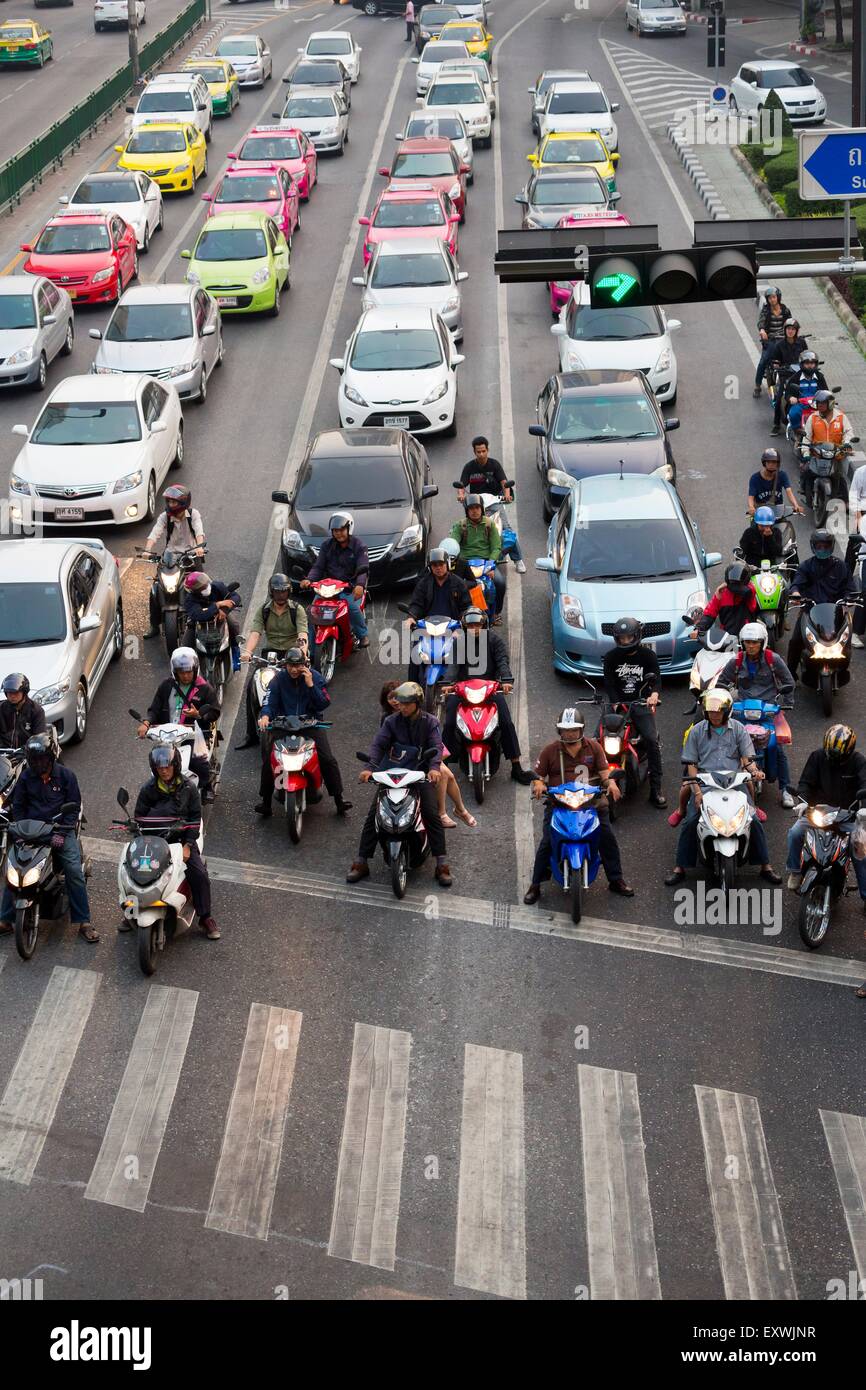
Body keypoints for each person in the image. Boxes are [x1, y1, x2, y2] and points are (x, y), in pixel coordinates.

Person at [664, 689, 781, 886]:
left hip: (734, 782)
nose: (714, 716)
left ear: (727, 711)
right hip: (706, 783)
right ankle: (680, 867)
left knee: (752, 820)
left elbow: (746, 759)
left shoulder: (739, 729)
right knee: (692, 820)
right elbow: (691, 763)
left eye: (718, 712)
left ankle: (765, 865)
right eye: (710, 712)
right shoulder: (696, 731)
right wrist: (698, 792)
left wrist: (754, 771)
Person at [523, 707, 634, 905]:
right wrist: (539, 783)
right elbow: (538, 775)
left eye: (574, 729)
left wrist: (611, 783)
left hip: (592, 804)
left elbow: (604, 773)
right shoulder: (550, 750)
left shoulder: (594, 747)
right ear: (560, 731)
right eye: (566, 730)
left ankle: (616, 879)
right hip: (559, 804)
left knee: (607, 837)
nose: (570, 733)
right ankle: (535, 884)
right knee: (547, 842)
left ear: (581, 729)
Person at [347, 681, 451, 886]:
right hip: (392, 773)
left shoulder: (430, 722)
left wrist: (434, 768)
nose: (400, 706)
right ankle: (361, 861)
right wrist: (369, 768)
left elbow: (436, 747)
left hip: (419, 774)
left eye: (405, 703)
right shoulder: (391, 721)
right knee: (374, 815)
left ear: (417, 703)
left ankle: (441, 863)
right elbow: (379, 744)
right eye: (399, 703)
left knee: (431, 813)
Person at [0, 733, 96, 942]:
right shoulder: (25, 777)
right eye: (34, 760)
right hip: (31, 831)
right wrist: (18, 832)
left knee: (72, 870)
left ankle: (84, 921)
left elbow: (73, 809)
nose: (37, 764)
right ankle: (5, 919)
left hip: (58, 830)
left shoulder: (67, 777)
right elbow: (19, 807)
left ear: (51, 757)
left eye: (41, 759)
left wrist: (61, 833)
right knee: (13, 867)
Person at [131, 744, 219, 940]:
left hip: (181, 841)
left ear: (176, 765)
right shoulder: (148, 789)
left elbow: (196, 818)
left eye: (167, 766)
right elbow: (139, 816)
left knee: (199, 873)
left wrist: (188, 845)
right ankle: (131, 909)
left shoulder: (189, 788)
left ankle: (205, 917)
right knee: (132, 869)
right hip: (153, 840)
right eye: (159, 767)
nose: (164, 770)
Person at [441, 607, 534, 783]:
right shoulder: (459, 643)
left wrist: (506, 680)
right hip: (462, 690)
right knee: (449, 723)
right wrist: (448, 684)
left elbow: (502, 661)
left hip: (490, 690)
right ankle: (441, 765)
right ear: (464, 626)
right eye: (470, 625)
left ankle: (516, 767)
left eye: (478, 625)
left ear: (484, 625)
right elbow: (453, 665)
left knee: (506, 722)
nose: (474, 628)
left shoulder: (494, 641)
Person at [256, 647, 350, 817]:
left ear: (304, 665)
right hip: (283, 725)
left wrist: (311, 685)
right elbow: (269, 703)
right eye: (290, 665)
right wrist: (265, 716)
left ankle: (339, 799)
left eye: (297, 665)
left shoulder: (315, 677)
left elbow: (323, 703)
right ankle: (266, 802)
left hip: (310, 724)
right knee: (269, 760)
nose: (293, 669)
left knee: (327, 759)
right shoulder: (277, 680)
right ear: (285, 665)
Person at [718, 621, 796, 808]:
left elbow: (788, 682)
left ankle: (786, 789)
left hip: (768, 711)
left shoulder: (773, 659)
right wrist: (722, 700)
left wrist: (787, 704)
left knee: (777, 748)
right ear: (742, 643)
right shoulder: (735, 661)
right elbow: (721, 684)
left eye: (755, 642)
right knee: (730, 745)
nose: (751, 646)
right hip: (741, 712)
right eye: (748, 642)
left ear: (763, 642)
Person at [787, 725, 866, 908]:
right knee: (795, 833)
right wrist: (803, 802)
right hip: (818, 811)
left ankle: (865, 893)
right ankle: (795, 871)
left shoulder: (859, 761)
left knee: (860, 848)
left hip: (847, 815)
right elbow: (805, 782)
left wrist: (863, 809)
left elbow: (865, 784)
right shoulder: (817, 756)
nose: (834, 759)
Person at [380, 678, 476, 828]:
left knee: (441, 772)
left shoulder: (421, 717)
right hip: (404, 758)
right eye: (390, 697)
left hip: (425, 753)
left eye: (398, 697)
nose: (396, 702)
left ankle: (445, 813)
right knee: (447, 774)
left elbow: (432, 740)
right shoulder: (388, 719)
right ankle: (458, 810)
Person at [137, 647, 220, 802]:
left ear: (195, 670)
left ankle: (207, 786)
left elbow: (215, 712)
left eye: (189, 672)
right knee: (159, 762)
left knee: (197, 762)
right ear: (175, 672)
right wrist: (146, 723)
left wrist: (198, 715)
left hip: (193, 733)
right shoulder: (166, 686)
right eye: (182, 672)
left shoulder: (204, 688)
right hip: (168, 734)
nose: (186, 675)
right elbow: (154, 708)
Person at [236, 573, 309, 748]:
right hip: (270, 654)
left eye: (284, 592)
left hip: (292, 654)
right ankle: (251, 734)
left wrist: (301, 654)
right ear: (271, 592)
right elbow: (255, 633)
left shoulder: (297, 609)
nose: (281, 595)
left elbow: (302, 636)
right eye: (277, 592)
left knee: (305, 686)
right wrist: (248, 652)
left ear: (288, 592)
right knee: (252, 688)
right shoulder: (264, 610)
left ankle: (306, 728)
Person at [601, 616, 666, 807]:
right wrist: (614, 703)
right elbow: (609, 683)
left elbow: (657, 680)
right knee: (597, 738)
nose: (625, 641)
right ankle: (594, 784)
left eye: (629, 637)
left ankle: (656, 789)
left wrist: (653, 695)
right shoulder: (611, 657)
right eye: (622, 638)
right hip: (618, 705)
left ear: (636, 636)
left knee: (651, 741)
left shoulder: (648, 656)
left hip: (640, 705)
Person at [787, 529, 859, 679]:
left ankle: (843, 670)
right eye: (819, 546)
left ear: (831, 546)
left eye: (825, 545)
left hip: (836, 612)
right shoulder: (806, 566)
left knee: (845, 643)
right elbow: (796, 585)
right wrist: (796, 594)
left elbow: (850, 588)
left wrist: (850, 599)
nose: (822, 549)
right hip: (810, 611)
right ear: (813, 546)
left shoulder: (841, 566)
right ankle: (790, 675)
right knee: (795, 641)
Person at [142, 485, 206, 640]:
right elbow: (155, 533)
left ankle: (205, 621)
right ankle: (154, 625)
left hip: (190, 555)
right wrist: (147, 550)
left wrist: (199, 547)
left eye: (174, 502)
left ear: (183, 502)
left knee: (202, 588)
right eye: (169, 502)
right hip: (170, 557)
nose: (170, 505)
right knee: (156, 590)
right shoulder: (165, 517)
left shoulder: (193, 514)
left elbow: (199, 532)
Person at [457, 436, 526, 572]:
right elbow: (461, 484)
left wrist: (506, 494)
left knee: (507, 529)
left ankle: (518, 560)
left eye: (483, 451)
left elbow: (504, 482)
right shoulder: (469, 467)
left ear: (487, 450)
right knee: (467, 529)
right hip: (476, 503)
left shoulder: (495, 465)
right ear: (474, 452)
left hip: (494, 502)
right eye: (478, 452)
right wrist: (460, 494)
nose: (481, 454)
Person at [300, 511, 369, 648]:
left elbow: (363, 568)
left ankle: (362, 635)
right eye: (335, 531)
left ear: (349, 528)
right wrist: (309, 579)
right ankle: (311, 651)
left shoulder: (359, 546)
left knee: (352, 608)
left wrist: (360, 585)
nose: (338, 533)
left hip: (349, 587)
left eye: (341, 530)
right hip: (329, 588)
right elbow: (318, 566)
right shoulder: (327, 546)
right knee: (313, 613)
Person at [406, 548, 471, 680]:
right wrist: (411, 617)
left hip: (452, 628)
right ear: (430, 567)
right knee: (415, 656)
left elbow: (466, 607)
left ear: (447, 564)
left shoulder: (459, 583)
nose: (438, 568)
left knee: (466, 657)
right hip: (428, 627)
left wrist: (461, 627)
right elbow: (416, 604)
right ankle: (412, 688)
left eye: (441, 564)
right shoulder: (423, 583)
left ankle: (465, 689)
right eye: (434, 565)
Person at [450, 494, 505, 623]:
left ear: (482, 509)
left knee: (500, 583)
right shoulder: (460, 526)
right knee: (453, 586)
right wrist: (451, 563)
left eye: (477, 508)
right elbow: (452, 545)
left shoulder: (490, 525)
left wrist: (491, 565)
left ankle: (496, 613)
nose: (474, 511)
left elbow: (496, 547)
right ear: (467, 511)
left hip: (486, 563)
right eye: (471, 508)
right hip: (464, 564)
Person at [182, 572, 242, 671]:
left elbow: (235, 597)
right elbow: (199, 615)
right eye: (202, 587)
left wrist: (224, 610)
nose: (206, 587)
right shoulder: (190, 599)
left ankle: (236, 654)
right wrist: (217, 605)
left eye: (206, 584)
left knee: (234, 626)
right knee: (185, 647)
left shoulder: (217, 586)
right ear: (195, 591)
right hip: (198, 622)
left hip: (221, 617)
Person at [695, 561, 759, 639]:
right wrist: (699, 628)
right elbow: (709, 613)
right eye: (732, 581)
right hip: (726, 638)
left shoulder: (750, 589)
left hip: (748, 636)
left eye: (737, 582)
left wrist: (726, 585)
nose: (734, 583)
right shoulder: (721, 593)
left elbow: (743, 591)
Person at [766, 321, 808, 433]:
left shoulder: (802, 342)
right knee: (779, 398)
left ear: (796, 331)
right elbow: (775, 360)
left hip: (800, 374)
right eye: (788, 329)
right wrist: (776, 365)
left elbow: (806, 356)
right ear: (785, 330)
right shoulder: (779, 345)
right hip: (786, 375)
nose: (790, 331)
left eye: (793, 329)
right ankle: (776, 425)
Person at [779, 347, 826, 438]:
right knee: (793, 413)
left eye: (812, 363)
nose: (810, 366)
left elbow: (825, 390)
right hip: (801, 405)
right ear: (802, 364)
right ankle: (797, 432)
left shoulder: (820, 377)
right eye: (807, 363)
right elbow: (788, 392)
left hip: (816, 404)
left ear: (815, 364)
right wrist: (791, 398)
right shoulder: (796, 377)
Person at [753, 287, 791, 397]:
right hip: (771, 340)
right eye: (769, 298)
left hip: (784, 339)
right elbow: (761, 322)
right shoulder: (766, 310)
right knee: (763, 361)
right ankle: (757, 385)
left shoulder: (785, 310)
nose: (772, 300)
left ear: (778, 297)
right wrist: (762, 330)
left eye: (774, 297)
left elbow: (791, 323)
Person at [747, 448, 804, 517]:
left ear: (778, 463)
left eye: (774, 462)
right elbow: (751, 497)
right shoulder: (755, 478)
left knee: (786, 527)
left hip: (778, 511)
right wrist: (751, 507)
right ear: (764, 463)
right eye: (768, 462)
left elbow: (789, 491)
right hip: (760, 513)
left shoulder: (782, 475)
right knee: (753, 528)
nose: (771, 464)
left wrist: (796, 505)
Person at [0, 672, 46, 749]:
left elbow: (39, 739)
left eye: (16, 692)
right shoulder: (1, 708)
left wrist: (27, 749)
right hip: (3, 753)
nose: (12, 696)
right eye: (9, 692)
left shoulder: (36, 711)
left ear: (24, 692)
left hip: (26, 754)